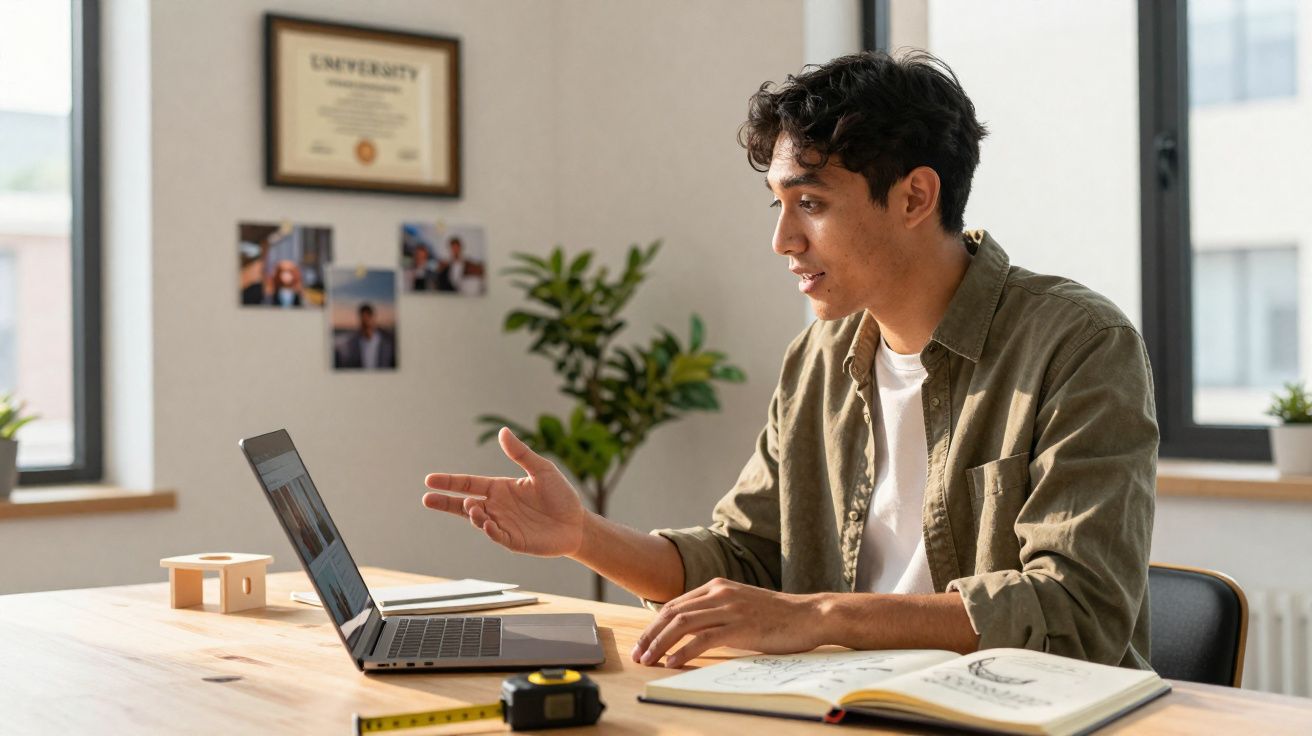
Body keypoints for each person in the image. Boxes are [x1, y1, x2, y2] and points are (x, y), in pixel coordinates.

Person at [420, 51, 1157, 671]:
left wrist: (819, 617)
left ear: (915, 197)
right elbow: (744, 560)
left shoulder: (1078, 343)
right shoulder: (820, 356)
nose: (783, 241)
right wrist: (584, 535)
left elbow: (1075, 610)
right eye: (777, 203)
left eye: (810, 204)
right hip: (847, 705)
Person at [335, 303, 396, 370]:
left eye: (368, 319)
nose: (366, 323)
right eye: (363, 320)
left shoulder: (388, 343)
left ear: (373, 318)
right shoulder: (352, 345)